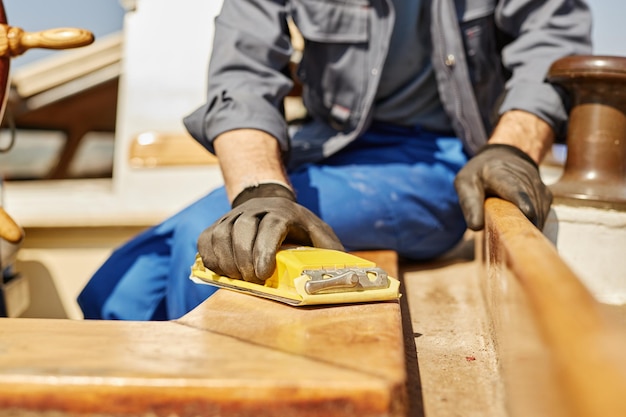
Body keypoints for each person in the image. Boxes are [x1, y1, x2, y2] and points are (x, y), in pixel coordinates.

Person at [78, 0, 592, 320]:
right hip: (322, 150)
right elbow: (244, 72)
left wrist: (511, 147)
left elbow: (551, 38)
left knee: (209, 245)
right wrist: (261, 191)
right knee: (120, 288)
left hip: (438, 163)